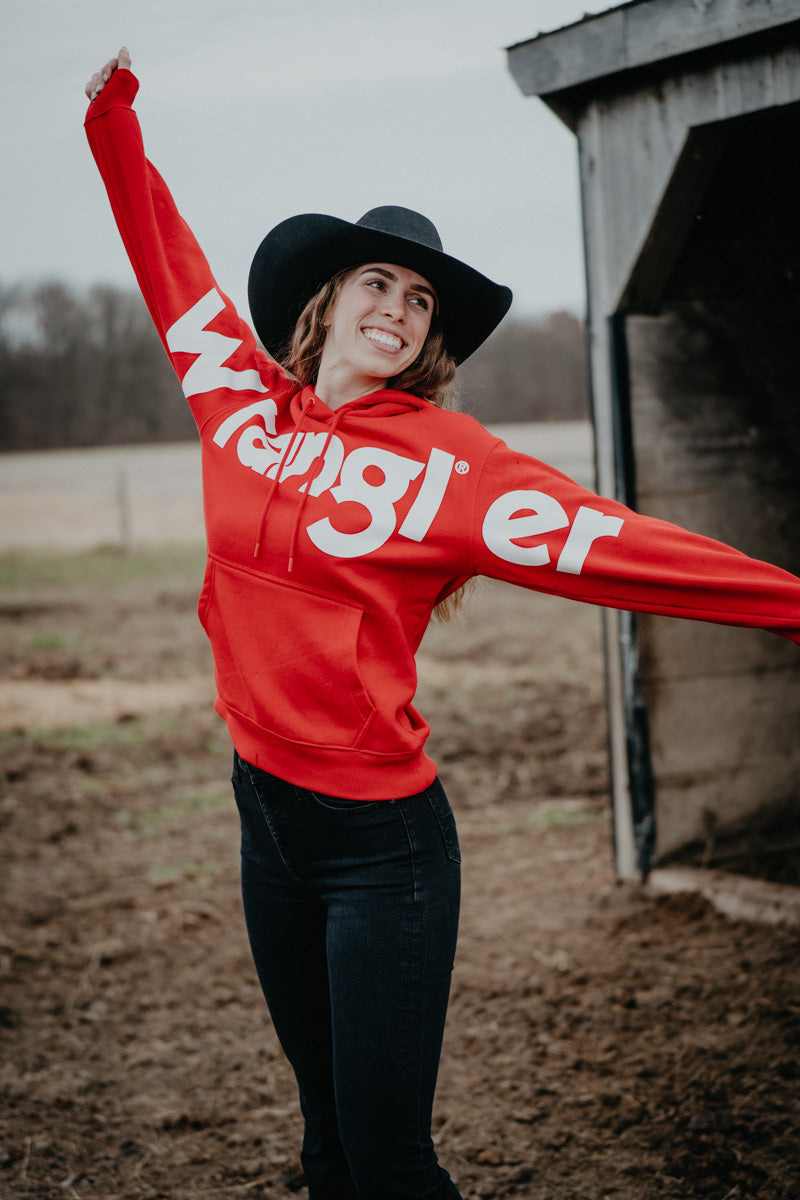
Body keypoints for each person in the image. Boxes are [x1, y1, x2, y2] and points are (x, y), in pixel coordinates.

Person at [84, 49, 800, 1200]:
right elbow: (171, 272)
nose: (398, 309)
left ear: (429, 338)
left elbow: (620, 546)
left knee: (388, 1160)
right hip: (263, 820)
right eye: (378, 283)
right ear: (327, 301)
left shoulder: (451, 468)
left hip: (382, 850)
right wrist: (113, 123)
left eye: (419, 302)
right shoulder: (238, 405)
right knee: (322, 1143)